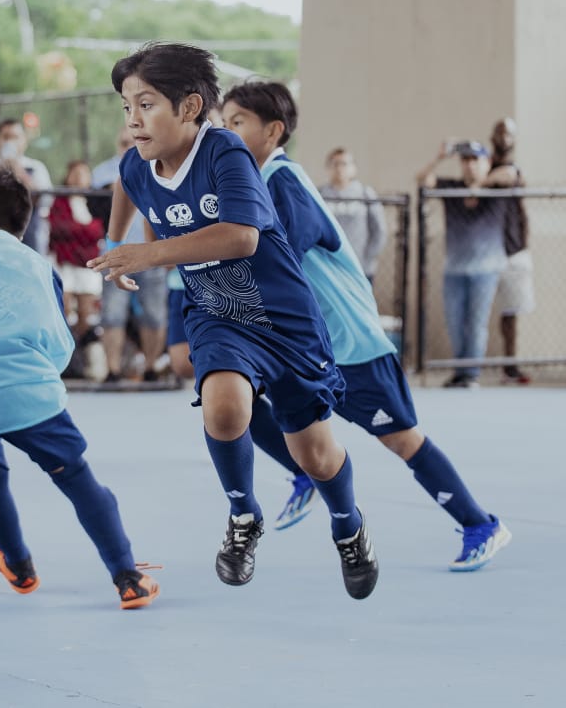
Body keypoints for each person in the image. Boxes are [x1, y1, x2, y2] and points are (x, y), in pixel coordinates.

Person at [88, 42, 379, 599]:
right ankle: (244, 516)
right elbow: (126, 182)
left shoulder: (223, 151)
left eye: (145, 104)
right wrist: (112, 241)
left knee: (313, 454)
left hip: (281, 318)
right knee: (224, 409)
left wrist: (144, 255)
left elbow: (242, 237)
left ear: (190, 107)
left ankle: (348, 525)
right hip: (217, 312)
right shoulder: (138, 162)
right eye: (126, 107)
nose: (133, 120)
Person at [222, 81, 510, 569]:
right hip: (301, 343)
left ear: (273, 131)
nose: (226, 132)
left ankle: (479, 522)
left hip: (349, 342)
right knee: (233, 402)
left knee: (401, 439)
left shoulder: (283, 182)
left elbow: (274, 258)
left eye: (237, 123)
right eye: (222, 122)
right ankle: (304, 473)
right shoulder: (257, 184)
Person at [0, 166, 160, 610]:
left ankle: (19, 567)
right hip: (26, 389)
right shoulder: (39, 265)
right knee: (77, 477)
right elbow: (60, 342)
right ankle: (127, 576)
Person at [417, 140, 508, 388]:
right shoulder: (453, 188)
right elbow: (423, 179)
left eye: (475, 160)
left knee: (477, 324)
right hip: (454, 269)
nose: (469, 166)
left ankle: (471, 374)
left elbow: (513, 173)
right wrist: (439, 157)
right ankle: (460, 370)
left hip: (486, 270)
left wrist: (481, 185)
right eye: (465, 160)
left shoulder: (496, 188)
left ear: (486, 162)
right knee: (456, 324)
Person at [90, 127, 169, 383]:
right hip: (116, 254)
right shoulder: (104, 172)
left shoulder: (159, 166)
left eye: (133, 141)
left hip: (151, 254)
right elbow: (98, 209)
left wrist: (166, 253)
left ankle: (150, 366)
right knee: (112, 313)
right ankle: (112, 370)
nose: (128, 146)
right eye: (124, 141)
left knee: (155, 314)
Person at [485, 118, 536, 384]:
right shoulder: (485, 167)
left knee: (511, 310)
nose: (505, 137)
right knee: (479, 308)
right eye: (500, 131)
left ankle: (509, 364)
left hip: (513, 247)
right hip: (486, 248)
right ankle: (469, 365)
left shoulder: (516, 171)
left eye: (509, 133)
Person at [0, 119, 53, 255]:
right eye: (6, 137)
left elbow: (44, 200)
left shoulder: (36, 168)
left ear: (24, 140)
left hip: (29, 237)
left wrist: (17, 169)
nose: (10, 142)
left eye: (15, 137)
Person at [48, 160, 105, 346]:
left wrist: (78, 231)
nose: (79, 177)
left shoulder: (95, 200)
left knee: (86, 312)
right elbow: (59, 228)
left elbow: (99, 230)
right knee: (63, 307)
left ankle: (80, 352)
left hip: (88, 263)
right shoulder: (59, 201)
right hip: (65, 261)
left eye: (83, 173)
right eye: (75, 172)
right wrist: (85, 231)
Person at [318, 148, 386, 286]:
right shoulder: (320, 195)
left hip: (360, 267)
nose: (339, 168)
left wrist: (368, 258)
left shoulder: (365, 193)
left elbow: (379, 230)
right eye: (334, 164)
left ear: (353, 168)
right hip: (329, 267)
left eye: (344, 163)